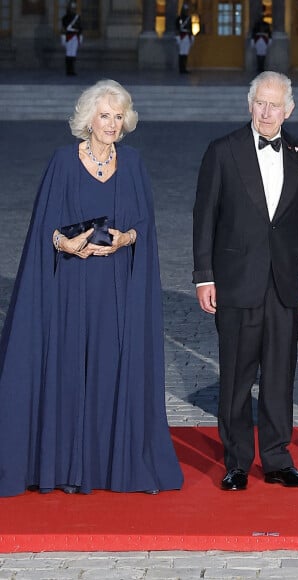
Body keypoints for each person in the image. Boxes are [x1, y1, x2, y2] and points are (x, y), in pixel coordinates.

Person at [0, 80, 184, 497]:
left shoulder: (133, 163)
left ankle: (109, 465)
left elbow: (145, 227)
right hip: (70, 284)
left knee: (110, 368)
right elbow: (43, 230)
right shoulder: (62, 162)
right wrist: (63, 243)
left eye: (118, 117)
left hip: (116, 288)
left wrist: (124, 239)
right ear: (88, 119)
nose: (112, 124)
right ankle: (66, 464)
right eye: (105, 116)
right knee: (69, 369)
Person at [193, 71, 298, 492]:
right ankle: (236, 461)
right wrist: (203, 277)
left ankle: (277, 458)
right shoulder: (223, 151)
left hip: (285, 282)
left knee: (280, 374)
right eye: (260, 103)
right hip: (236, 281)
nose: (267, 112)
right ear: (250, 105)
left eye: (275, 105)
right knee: (235, 374)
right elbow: (204, 220)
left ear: (289, 110)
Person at [61, 1, 82, 76]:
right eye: (71, 8)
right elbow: (64, 28)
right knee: (68, 53)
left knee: (73, 54)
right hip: (69, 36)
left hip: (75, 37)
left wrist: (80, 35)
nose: (72, 9)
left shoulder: (77, 17)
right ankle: (68, 70)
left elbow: (80, 27)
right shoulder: (65, 18)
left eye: (73, 8)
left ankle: (72, 70)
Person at [176, 3, 194, 74]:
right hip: (181, 36)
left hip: (186, 36)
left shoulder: (188, 18)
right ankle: (181, 68)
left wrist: (191, 36)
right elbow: (177, 28)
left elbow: (191, 28)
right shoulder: (179, 19)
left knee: (185, 53)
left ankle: (184, 68)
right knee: (181, 53)